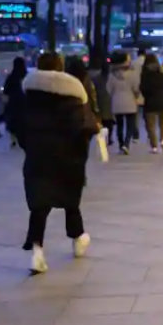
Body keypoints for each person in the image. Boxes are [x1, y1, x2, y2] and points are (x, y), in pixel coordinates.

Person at [21, 53, 98, 273]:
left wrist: (31, 145)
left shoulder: (29, 95)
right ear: (61, 67)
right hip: (68, 156)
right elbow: (83, 127)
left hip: (38, 156)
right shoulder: (73, 95)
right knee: (70, 200)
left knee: (39, 205)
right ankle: (77, 238)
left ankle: (37, 251)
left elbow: (17, 123)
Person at [106, 51, 141, 155]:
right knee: (130, 125)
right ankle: (126, 144)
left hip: (116, 103)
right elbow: (136, 88)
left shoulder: (112, 74)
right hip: (130, 102)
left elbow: (108, 89)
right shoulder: (132, 73)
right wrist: (137, 96)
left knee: (119, 125)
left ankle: (121, 144)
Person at [139, 53, 163, 154]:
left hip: (150, 102)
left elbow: (143, 88)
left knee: (151, 125)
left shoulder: (145, 73)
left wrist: (147, 96)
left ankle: (154, 146)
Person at [3, 56, 29, 148]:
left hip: (13, 102)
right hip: (25, 102)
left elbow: (6, 90)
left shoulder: (11, 77)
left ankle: (13, 139)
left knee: (13, 121)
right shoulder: (27, 76)